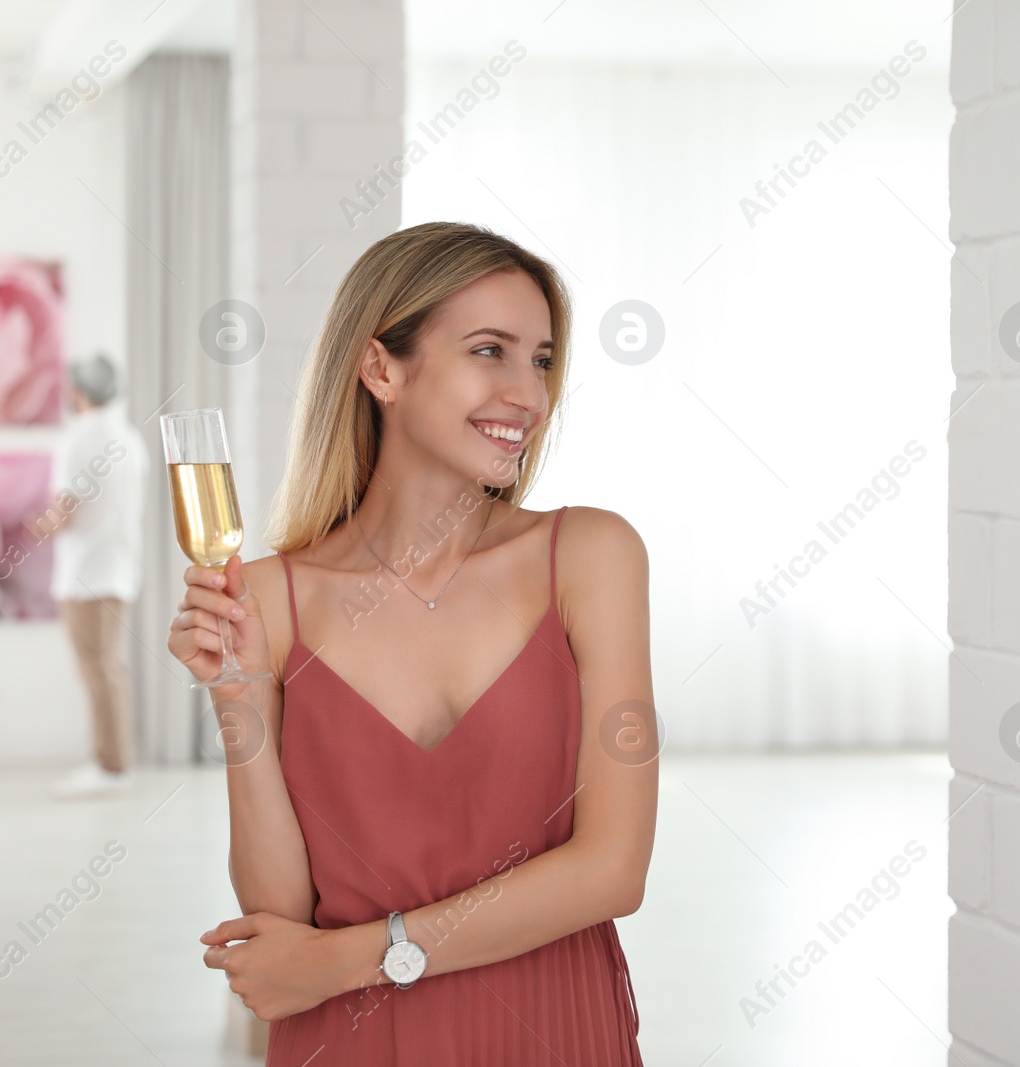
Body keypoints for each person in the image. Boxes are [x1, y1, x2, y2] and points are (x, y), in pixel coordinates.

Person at [171, 222, 657, 1064]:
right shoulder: (273, 598)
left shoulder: (588, 556)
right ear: (381, 367)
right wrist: (239, 703)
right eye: (489, 350)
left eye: (540, 360)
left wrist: (353, 959)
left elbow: (613, 868)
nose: (527, 393)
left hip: (552, 1030)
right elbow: (281, 911)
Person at [45, 353, 148, 799]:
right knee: (110, 667)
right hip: (121, 568)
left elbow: (63, 513)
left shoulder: (77, 439)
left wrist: (38, 527)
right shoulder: (130, 439)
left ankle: (109, 765)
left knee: (96, 669)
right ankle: (113, 762)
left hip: (85, 571)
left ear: (77, 392)